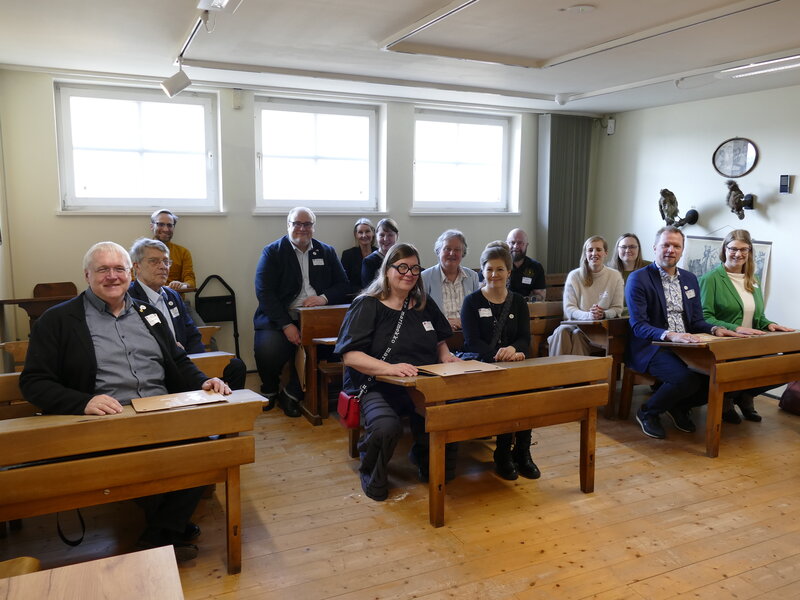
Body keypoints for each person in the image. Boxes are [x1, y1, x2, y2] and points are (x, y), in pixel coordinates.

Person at [19, 241, 231, 562]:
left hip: (162, 414)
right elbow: (33, 382)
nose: (112, 276)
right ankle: (165, 532)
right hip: (105, 423)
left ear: (131, 274)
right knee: (143, 460)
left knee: (208, 449)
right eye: (103, 269)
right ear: (87, 275)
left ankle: (158, 535)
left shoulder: (150, 314)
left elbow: (177, 360)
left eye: (119, 269)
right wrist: (83, 402)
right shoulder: (59, 320)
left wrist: (203, 381)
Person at [334, 243, 459, 501]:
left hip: (421, 382)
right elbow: (351, 355)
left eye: (414, 268)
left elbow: (439, 339)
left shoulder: (423, 303)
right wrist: (390, 368)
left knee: (448, 415)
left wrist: (445, 354)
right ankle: (371, 472)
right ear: (387, 270)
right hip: (376, 384)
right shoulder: (367, 304)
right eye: (402, 266)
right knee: (385, 426)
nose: (409, 273)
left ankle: (425, 459)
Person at [626, 226, 742, 440]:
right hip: (652, 346)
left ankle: (677, 406)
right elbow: (638, 325)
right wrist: (671, 335)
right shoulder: (638, 279)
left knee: (717, 377)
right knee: (686, 380)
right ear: (655, 248)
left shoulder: (689, 279)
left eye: (676, 246)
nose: (671, 250)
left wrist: (715, 329)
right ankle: (648, 412)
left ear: (682, 250)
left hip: (687, 344)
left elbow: (697, 320)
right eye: (666, 245)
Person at [253, 207, 349, 417]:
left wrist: (323, 298)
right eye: (297, 223)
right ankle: (269, 389)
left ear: (313, 227)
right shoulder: (273, 252)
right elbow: (264, 292)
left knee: (330, 348)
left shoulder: (326, 251)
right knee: (269, 349)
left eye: (307, 224)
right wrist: (287, 325)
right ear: (288, 225)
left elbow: (343, 285)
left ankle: (292, 393)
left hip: (317, 318)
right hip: (280, 316)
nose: (302, 228)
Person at [461, 241, 539, 481]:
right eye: (489, 269)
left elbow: (525, 336)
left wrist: (515, 349)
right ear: (482, 271)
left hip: (515, 364)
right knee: (507, 395)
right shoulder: (472, 302)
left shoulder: (518, 301)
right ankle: (503, 453)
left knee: (529, 394)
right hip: (484, 367)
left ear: (508, 272)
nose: (494, 274)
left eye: (500, 269)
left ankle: (523, 452)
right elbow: (472, 342)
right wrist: (499, 355)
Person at [699, 229, 794, 424]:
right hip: (725, 345)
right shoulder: (711, 279)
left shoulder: (753, 280)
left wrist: (772, 325)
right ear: (724, 249)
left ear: (750, 252)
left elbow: (758, 317)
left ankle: (745, 395)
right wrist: (735, 328)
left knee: (785, 367)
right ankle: (727, 399)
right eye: (733, 249)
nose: (738, 254)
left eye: (744, 249)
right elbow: (704, 317)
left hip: (751, 345)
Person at [128, 238, 247, 391]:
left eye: (166, 261)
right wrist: (170, 350)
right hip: (156, 366)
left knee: (236, 366)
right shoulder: (129, 299)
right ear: (136, 267)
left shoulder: (173, 296)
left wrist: (197, 365)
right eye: (154, 261)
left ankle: (225, 414)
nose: (163, 267)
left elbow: (192, 334)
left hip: (184, 362)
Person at [548, 236, 624, 356]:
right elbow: (569, 309)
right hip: (574, 324)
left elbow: (617, 308)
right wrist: (589, 315)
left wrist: (602, 314)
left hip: (599, 329)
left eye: (598, 250)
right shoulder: (574, 276)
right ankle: (557, 372)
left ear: (605, 253)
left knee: (579, 335)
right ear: (585, 253)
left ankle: (577, 374)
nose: (594, 253)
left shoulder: (615, 276)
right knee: (561, 332)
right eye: (590, 250)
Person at [421, 229, 481, 331]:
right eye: (447, 248)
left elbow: (478, 310)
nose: (452, 253)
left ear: (463, 253)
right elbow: (421, 314)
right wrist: (444, 323)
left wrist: (465, 322)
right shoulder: (424, 277)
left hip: (468, 334)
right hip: (437, 335)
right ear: (438, 251)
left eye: (457, 249)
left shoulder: (472, 277)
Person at [150, 209, 195, 290]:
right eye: (161, 224)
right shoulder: (140, 252)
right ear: (152, 226)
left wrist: (181, 285)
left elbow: (191, 282)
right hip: (146, 301)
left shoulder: (183, 253)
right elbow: (132, 282)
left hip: (175, 299)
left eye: (169, 225)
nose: (166, 229)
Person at [505, 228, 546, 301]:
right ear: (506, 244)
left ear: (526, 245)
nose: (515, 246)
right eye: (512, 242)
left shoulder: (536, 267)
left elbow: (541, 296)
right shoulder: (497, 265)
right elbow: (482, 288)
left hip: (527, 307)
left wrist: (526, 300)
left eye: (520, 243)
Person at [340, 218, 377, 294]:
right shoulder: (347, 255)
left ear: (373, 233)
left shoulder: (380, 253)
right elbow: (343, 281)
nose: (364, 235)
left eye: (367, 231)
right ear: (356, 235)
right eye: (360, 232)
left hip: (378, 295)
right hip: (355, 296)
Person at [361, 218, 399, 287]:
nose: (385, 239)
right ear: (376, 237)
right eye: (382, 235)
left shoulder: (403, 257)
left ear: (397, 236)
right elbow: (368, 290)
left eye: (390, 235)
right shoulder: (369, 262)